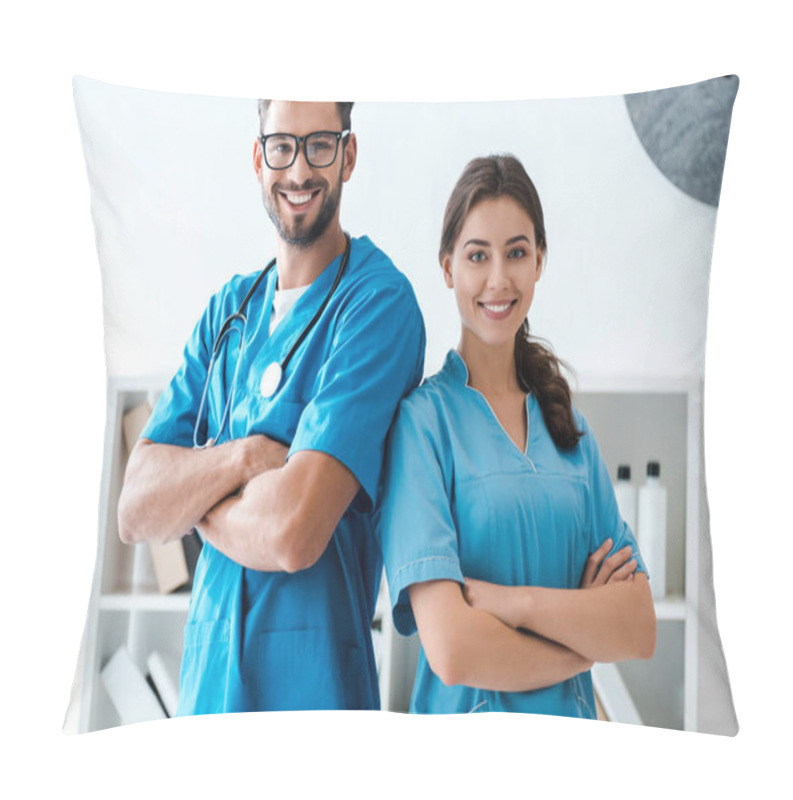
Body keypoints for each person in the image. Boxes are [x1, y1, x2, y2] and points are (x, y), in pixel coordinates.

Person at [117, 100, 426, 714]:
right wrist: (248, 459)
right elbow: (135, 510)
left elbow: (292, 533)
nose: (299, 170)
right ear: (259, 158)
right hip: (206, 695)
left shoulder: (376, 305)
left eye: (320, 146)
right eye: (282, 145)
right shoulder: (228, 313)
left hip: (314, 696)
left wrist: (195, 504)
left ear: (349, 155)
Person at [375, 155, 655, 717]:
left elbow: (638, 626)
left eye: (517, 253)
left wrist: (514, 604)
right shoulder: (423, 425)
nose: (498, 279)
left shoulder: (568, 430)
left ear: (540, 262)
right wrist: (579, 643)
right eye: (478, 255)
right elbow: (453, 651)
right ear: (448, 266)